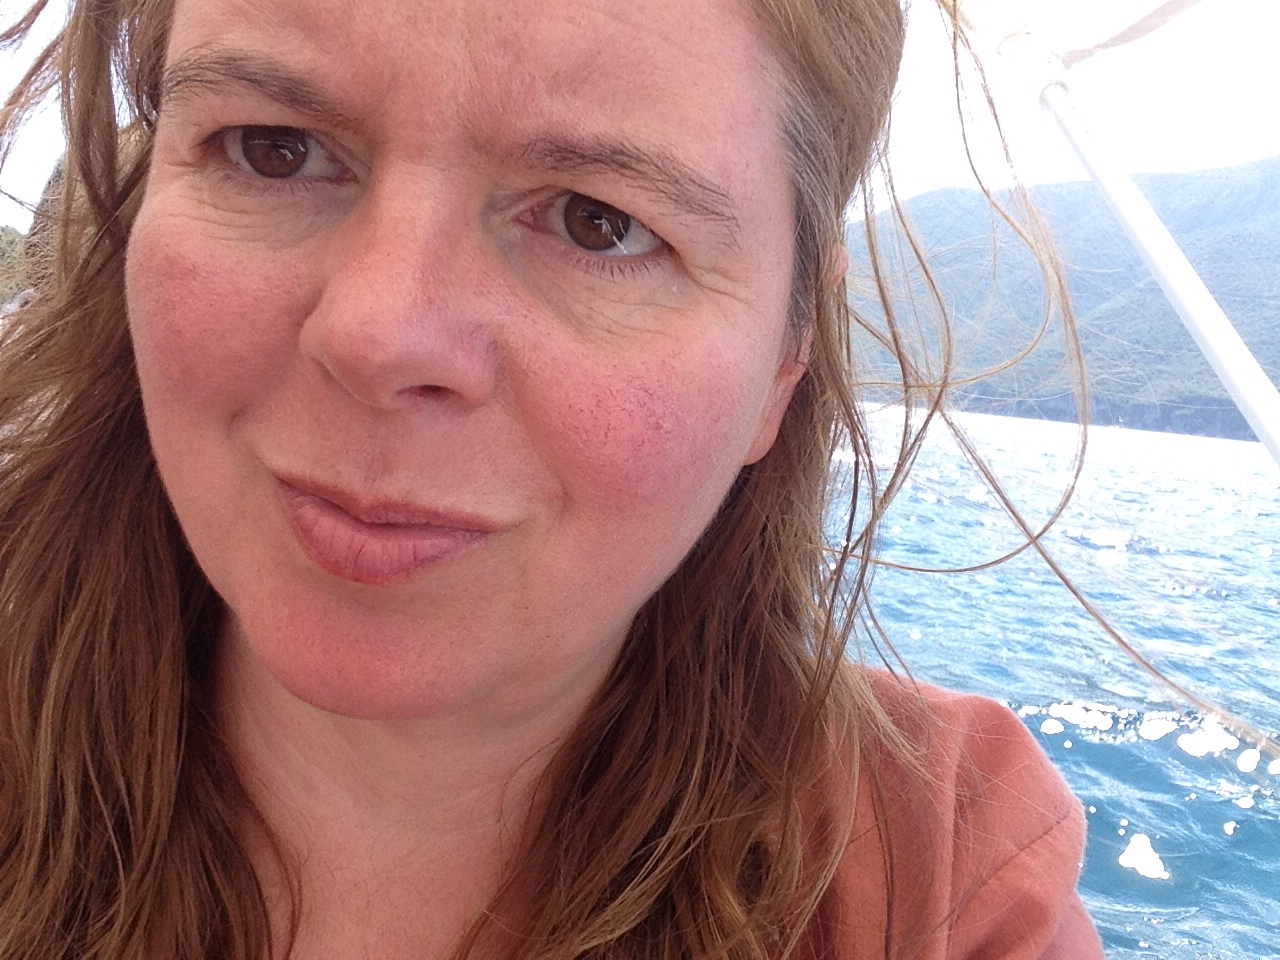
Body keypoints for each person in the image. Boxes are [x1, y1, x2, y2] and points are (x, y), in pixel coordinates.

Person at [0, 0, 1105, 957]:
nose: (378, 336)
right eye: (272, 150)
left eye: (598, 223)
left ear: (786, 357)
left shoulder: (939, 876)